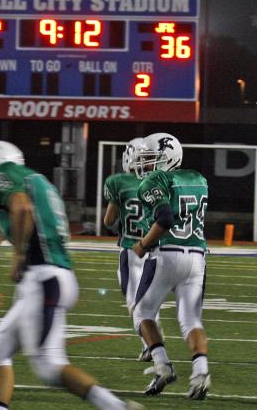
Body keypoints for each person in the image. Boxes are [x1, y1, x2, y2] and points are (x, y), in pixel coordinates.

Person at [0, 140, 142, 410]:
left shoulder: (4, 174)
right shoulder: (35, 179)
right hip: (54, 275)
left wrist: (19, 254)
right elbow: (16, 213)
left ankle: (117, 407)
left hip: (42, 277)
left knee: (48, 365)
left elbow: (22, 207)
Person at [130, 133, 211, 400]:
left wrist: (143, 244)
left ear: (167, 157)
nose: (145, 164)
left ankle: (162, 365)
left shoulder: (156, 180)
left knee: (142, 312)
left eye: (150, 158)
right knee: (190, 320)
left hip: (166, 254)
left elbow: (165, 218)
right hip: (197, 256)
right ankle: (201, 373)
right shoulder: (198, 179)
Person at [102, 138, 161, 362]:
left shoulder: (119, 182)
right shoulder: (160, 181)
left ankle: (151, 346)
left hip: (131, 250)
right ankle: (152, 342)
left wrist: (122, 226)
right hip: (156, 250)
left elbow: (109, 220)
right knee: (149, 299)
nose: (148, 163)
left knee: (134, 302)